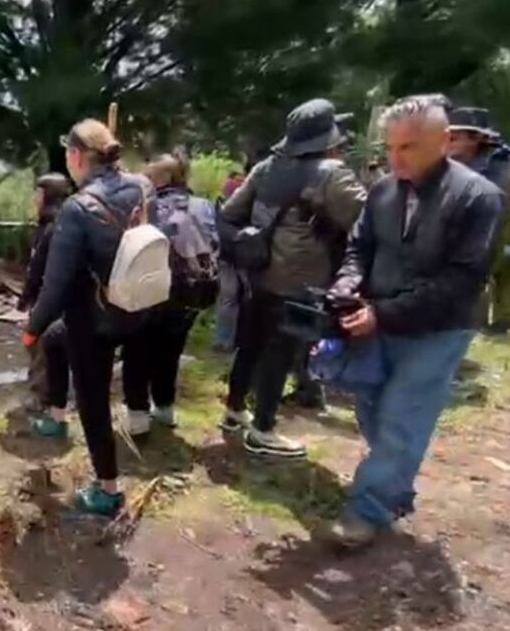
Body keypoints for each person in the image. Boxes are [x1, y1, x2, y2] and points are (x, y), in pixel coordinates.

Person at [325, 95, 505, 547]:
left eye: (407, 147)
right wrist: (347, 283)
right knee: (373, 411)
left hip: (437, 330)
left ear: (444, 142)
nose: (395, 158)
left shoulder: (478, 198)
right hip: (378, 322)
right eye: (390, 147)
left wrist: (381, 312)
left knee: (403, 419)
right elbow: (358, 247)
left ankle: (365, 511)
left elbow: (462, 280)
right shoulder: (384, 190)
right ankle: (395, 486)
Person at [219, 99, 366, 458]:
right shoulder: (333, 173)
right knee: (279, 353)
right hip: (301, 284)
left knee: (250, 344)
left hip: (259, 273)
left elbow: (228, 214)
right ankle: (263, 430)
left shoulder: (266, 168)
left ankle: (235, 411)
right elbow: (369, 220)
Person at [22, 118, 152, 517]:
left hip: (93, 319)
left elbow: (55, 286)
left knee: (93, 401)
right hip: (140, 305)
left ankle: (108, 489)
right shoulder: (141, 188)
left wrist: (31, 328)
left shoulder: (77, 210)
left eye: (67, 155)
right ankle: (57, 416)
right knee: (55, 341)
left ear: (77, 156)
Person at [135, 153, 218, 428]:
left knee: (141, 348)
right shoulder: (204, 205)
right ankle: (165, 408)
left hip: (155, 287)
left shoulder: (150, 205)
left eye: (150, 175)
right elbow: (215, 243)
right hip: (194, 290)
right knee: (171, 350)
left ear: (162, 178)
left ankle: (137, 415)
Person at [18, 173, 72, 437]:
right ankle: (50, 398)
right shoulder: (55, 222)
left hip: (50, 300)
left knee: (41, 348)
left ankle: (42, 401)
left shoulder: (54, 226)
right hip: (53, 299)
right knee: (45, 350)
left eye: (38, 193)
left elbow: (39, 268)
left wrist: (28, 298)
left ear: (47, 195)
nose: (34, 198)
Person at [448, 107, 510, 331]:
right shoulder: (455, 166)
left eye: (455, 138)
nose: (449, 143)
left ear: (477, 139)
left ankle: (499, 322)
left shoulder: (502, 172)